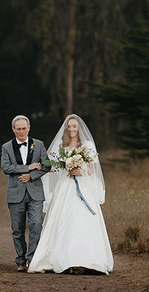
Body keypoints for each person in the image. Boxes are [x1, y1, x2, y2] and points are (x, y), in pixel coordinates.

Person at [27, 114, 113, 275]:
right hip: (65, 185)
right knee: (64, 219)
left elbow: (94, 167)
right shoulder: (62, 146)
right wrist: (44, 168)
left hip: (83, 186)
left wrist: (82, 170)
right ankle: (66, 258)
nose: (72, 129)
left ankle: (87, 259)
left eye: (74, 126)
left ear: (79, 128)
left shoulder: (87, 145)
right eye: (69, 126)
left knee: (83, 220)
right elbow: (57, 167)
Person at [1, 115, 50, 271]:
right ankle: (20, 260)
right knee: (17, 229)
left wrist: (31, 176)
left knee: (36, 224)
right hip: (15, 193)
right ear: (13, 130)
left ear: (28, 129)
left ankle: (32, 258)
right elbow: (6, 168)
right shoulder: (6, 147)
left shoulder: (39, 144)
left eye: (24, 128)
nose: (21, 132)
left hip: (35, 191)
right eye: (18, 129)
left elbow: (46, 166)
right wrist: (27, 168)